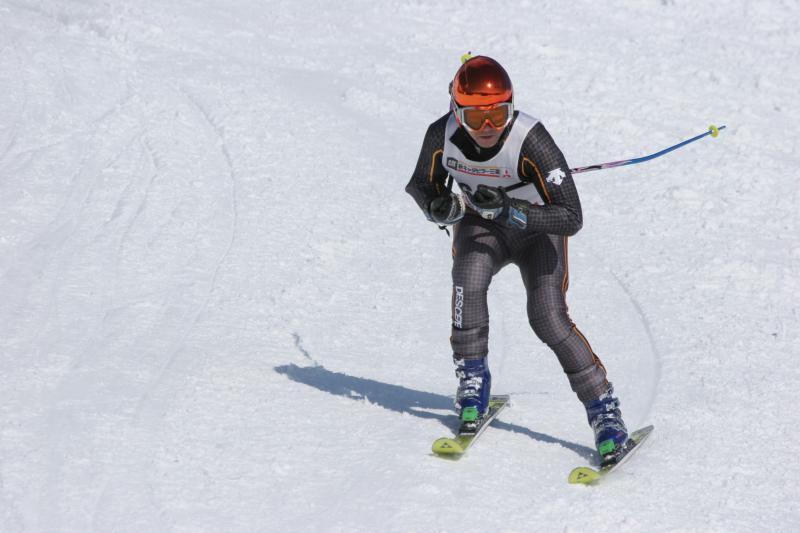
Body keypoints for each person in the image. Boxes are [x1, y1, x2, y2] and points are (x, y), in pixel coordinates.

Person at [405, 54, 629, 462]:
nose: (488, 127)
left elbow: (571, 217)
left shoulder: (531, 139)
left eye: (498, 114)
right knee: (468, 281)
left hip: (538, 232)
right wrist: (437, 207)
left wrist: (512, 210)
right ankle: (472, 383)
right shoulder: (442, 134)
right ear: (456, 111)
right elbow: (421, 185)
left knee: (547, 317)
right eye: (475, 118)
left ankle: (604, 410)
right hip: (481, 227)